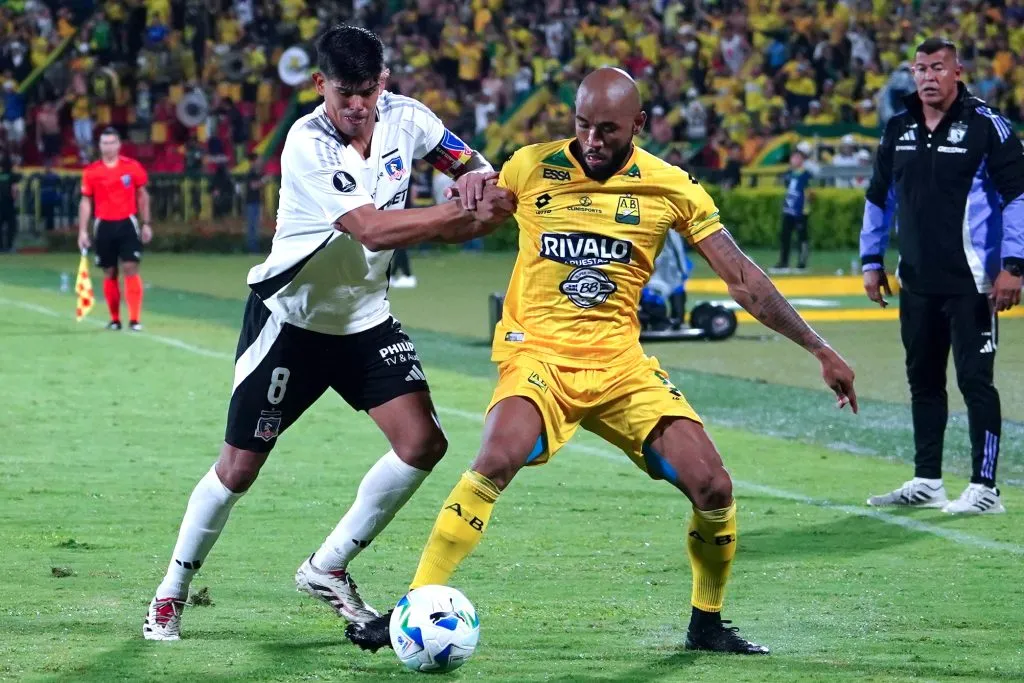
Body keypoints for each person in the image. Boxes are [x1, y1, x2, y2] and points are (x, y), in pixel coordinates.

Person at [347, 67, 858, 657]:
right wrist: (465, 198)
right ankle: (414, 605)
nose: (592, 140)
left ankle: (707, 622)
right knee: (496, 457)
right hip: (537, 356)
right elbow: (467, 224)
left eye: (608, 130)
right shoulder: (530, 165)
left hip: (621, 366)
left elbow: (743, 280)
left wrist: (818, 347)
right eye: (583, 125)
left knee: (713, 486)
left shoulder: (671, 187)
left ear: (638, 125)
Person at [141, 25, 514, 642]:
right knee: (237, 470)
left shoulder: (407, 119)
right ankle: (171, 592)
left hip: (365, 320)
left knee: (423, 443)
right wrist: (459, 211)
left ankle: (328, 567)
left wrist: (477, 177)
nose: (357, 106)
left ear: (383, 84)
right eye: (344, 93)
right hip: (291, 324)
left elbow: (469, 162)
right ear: (321, 85)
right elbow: (369, 229)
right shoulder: (306, 144)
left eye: (367, 92)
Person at [862, 39, 1024, 514]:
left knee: (976, 382)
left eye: (938, 67)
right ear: (912, 74)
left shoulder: (987, 126)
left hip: (972, 283)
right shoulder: (899, 126)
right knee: (924, 382)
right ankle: (928, 480)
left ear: (957, 72)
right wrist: (871, 261)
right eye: (920, 69)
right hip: (916, 282)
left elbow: (1018, 197)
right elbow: (878, 198)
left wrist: (1013, 266)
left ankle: (985, 488)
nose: (929, 77)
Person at [76, 128, 152, 330]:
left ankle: (135, 319)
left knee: (130, 267)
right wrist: (83, 231)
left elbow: (143, 195)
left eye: (111, 143)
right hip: (103, 225)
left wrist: (146, 223)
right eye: (104, 143)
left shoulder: (132, 167)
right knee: (109, 271)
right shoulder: (92, 172)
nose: (108, 147)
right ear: (99, 146)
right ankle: (115, 318)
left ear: (119, 145)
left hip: (127, 223)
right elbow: (86, 201)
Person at [774, 143, 813, 271]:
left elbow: (809, 192)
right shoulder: (789, 174)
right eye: (793, 157)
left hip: (801, 211)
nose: (794, 160)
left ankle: (801, 262)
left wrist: (806, 206)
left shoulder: (806, 175)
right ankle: (783, 262)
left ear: (802, 160)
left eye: (797, 158)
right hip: (788, 210)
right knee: (785, 236)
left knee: (802, 238)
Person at [243, 152, 266, 253]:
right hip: (251, 203)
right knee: (252, 227)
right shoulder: (251, 173)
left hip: (256, 202)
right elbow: (253, 186)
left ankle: (255, 248)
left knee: (256, 227)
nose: (261, 162)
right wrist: (264, 181)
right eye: (259, 159)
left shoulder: (257, 173)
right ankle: (252, 249)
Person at [0, 152, 20, 252]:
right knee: (11, 227)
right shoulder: (13, 176)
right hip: (9, 204)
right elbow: (14, 189)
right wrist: (16, 200)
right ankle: (9, 246)